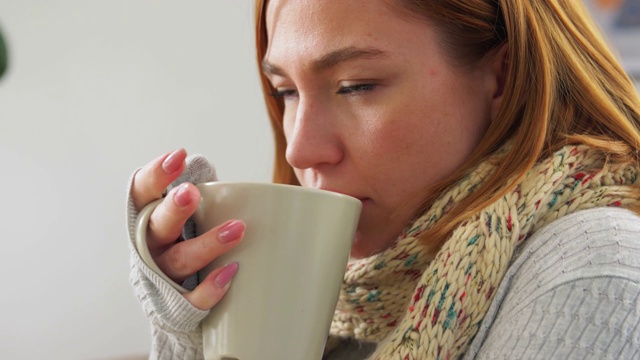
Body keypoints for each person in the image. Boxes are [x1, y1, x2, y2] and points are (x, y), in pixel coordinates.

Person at [126, 0, 640, 358]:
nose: (301, 149)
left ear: (501, 77)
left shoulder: (597, 266)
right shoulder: (359, 294)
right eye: (285, 91)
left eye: (356, 86)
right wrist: (189, 330)